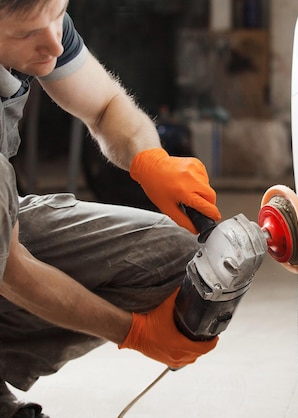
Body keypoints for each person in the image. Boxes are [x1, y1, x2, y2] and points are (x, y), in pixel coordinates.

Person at [0, 1, 223, 416]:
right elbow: (11, 270)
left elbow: (105, 106)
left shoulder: (40, 21)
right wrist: (133, 333)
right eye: (26, 33)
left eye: (58, 13)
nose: (53, 41)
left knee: (170, 259)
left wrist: (149, 161)